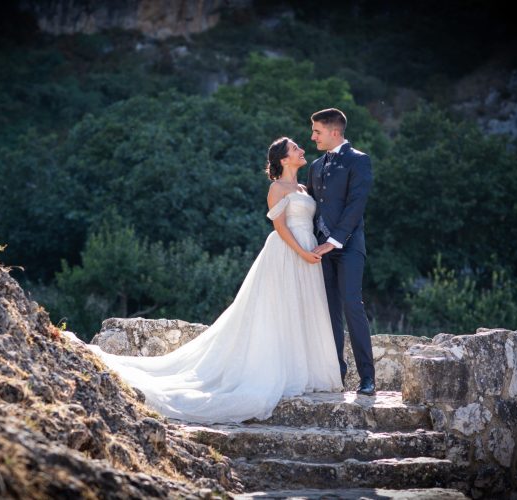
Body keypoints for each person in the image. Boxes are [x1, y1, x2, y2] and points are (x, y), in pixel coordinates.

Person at [87, 137, 342, 424]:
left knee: (302, 309)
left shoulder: (304, 188)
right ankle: (278, 371)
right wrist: (302, 252)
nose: (302, 150)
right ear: (284, 159)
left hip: (308, 250)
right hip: (287, 251)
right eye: (295, 148)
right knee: (279, 309)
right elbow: (280, 227)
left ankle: (304, 371)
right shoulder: (277, 188)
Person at [307, 108, 376, 395]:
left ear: (335, 131)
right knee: (329, 312)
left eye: (317, 131)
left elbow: (356, 204)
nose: (312, 137)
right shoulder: (315, 165)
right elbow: (311, 204)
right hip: (318, 249)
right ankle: (336, 375)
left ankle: (368, 378)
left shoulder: (359, 161)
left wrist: (334, 240)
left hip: (347, 246)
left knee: (351, 305)